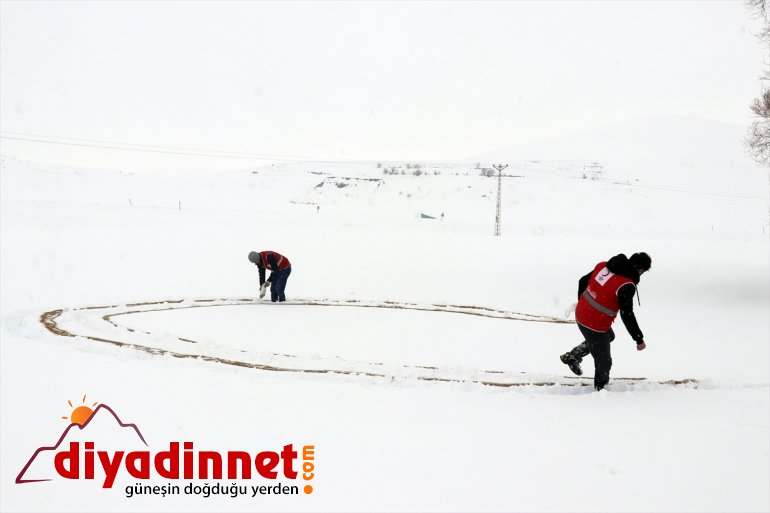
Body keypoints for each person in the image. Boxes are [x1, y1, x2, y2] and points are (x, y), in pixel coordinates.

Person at [560, 252, 651, 390]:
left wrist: (584, 304)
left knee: (609, 336)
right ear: (638, 268)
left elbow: (582, 281)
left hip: (582, 313)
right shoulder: (626, 285)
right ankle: (600, 391)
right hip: (594, 324)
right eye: (643, 271)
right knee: (604, 362)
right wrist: (639, 339)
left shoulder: (604, 266)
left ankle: (574, 355)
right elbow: (627, 314)